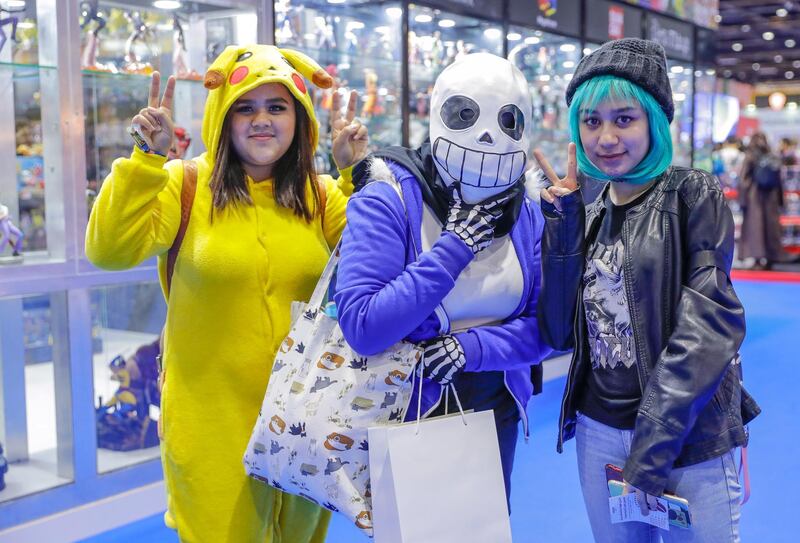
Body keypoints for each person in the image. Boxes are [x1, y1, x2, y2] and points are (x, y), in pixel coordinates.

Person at [86, 44, 368, 542]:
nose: (262, 120)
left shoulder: (319, 194)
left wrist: (352, 175)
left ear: (299, 122)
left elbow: (376, 259)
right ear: (223, 117)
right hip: (210, 422)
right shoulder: (183, 184)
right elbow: (109, 250)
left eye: (277, 107)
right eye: (245, 107)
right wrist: (145, 160)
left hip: (306, 419)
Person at [535, 38, 760, 542]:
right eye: (591, 121)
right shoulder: (587, 212)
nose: (606, 137)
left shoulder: (691, 194)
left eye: (623, 118)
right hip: (599, 433)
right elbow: (556, 331)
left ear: (654, 122)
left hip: (689, 436)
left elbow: (710, 326)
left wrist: (652, 445)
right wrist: (565, 226)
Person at [334, 52, 551, 508]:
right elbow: (365, 326)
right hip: (404, 408)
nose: (488, 134)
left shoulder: (526, 210)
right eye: (466, 115)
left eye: (508, 120)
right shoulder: (389, 194)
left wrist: (470, 349)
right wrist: (454, 248)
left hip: (496, 407)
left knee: (484, 527)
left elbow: (547, 328)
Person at [738, 132, 787, 270]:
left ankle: (757, 259)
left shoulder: (750, 155)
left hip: (755, 197)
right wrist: (781, 201)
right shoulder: (772, 155)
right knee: (771, 228)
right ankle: (772, 257)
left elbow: (744, 179)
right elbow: (779, 180)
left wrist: (743, 199)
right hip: (771, 198)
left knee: (755, 227)